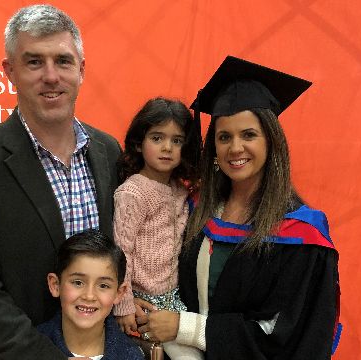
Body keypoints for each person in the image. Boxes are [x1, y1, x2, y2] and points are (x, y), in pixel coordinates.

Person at [0, 5, 121, 360]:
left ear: (81, 70)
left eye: (63, 62)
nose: (51, 76)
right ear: (10, 71)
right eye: (34, 62)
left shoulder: (108, 151)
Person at [135, 56, 341, 359]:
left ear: (271, 142)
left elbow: (288, 334)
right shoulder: (196, 209)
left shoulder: (301, 235)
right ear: (213, 148)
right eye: (224, 137)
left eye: (249, 135)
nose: (235, 148)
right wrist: (140, 298)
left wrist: (185, 327)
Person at [113, 97, 204, 359]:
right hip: (143, 302)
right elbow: (122, 252)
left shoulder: (179, 189)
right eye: (157, 138)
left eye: (176, 141)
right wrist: (124, 305)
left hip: (176, 300)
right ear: (139, 143)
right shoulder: (133, 192)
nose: (167, 147)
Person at [37, 229, 144, 359]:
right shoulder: (29, 348)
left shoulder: (131, 355)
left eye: (103, 286)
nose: (89, 296)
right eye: (78, 283)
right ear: (55, 285)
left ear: (119, 293)